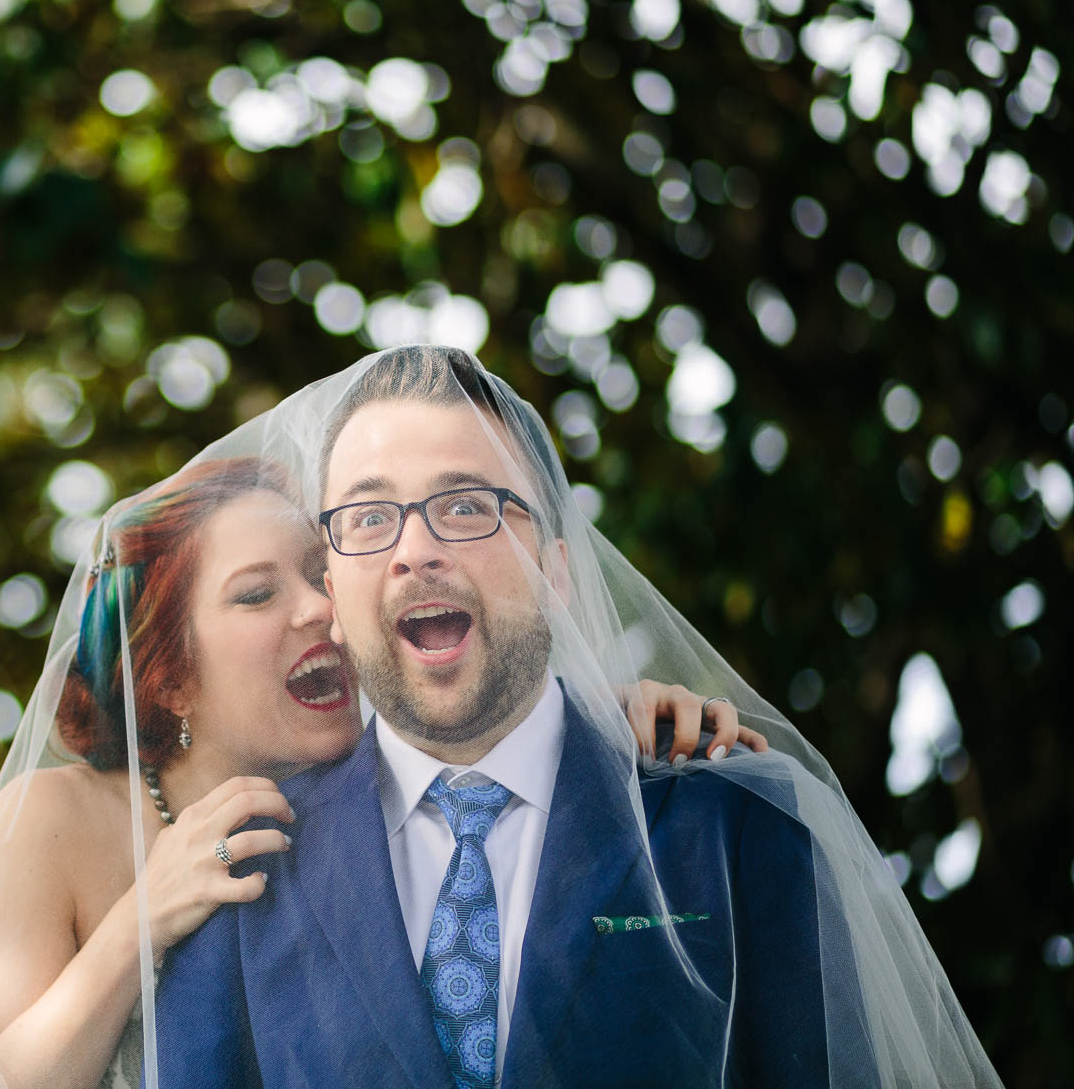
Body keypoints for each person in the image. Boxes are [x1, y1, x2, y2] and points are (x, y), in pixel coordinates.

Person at [152, 346, 1000, 1087]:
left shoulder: (739, 830)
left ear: (556, 570)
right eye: (370, 518)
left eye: (465, 505)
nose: (415, 549)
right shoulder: (240, 892)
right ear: (334, 595)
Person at [0, 454, 765, 1089]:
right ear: (169, 674)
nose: (320, 609)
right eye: (256, 594)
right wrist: (139, 922)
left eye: (316, 574)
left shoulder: (359, 814)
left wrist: (597, 728)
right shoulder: (59, 819)